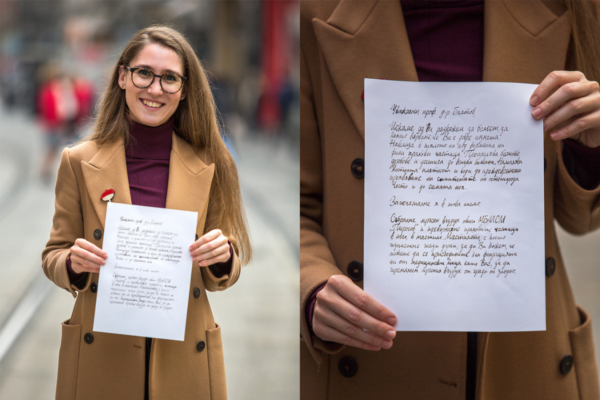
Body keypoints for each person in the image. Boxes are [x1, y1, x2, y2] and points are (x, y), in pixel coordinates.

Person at [300, 1, 600, 399]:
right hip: (378, 359)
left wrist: (589, 146)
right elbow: (299, 203)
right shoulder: (317, 10)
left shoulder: (568, 6)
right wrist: (310, 285)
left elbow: (579, 219)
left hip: (526, 362)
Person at [42, 25, 251, 400]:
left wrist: (222, 257)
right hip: (101, 354)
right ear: (122, 77)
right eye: (144, 73)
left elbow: (226, 270)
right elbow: (53, 255)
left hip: (184, 355)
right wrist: (72, 263)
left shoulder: (214, 163)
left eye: (170, 78)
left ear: (184, 89)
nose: (155, 89)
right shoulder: (77, 161)